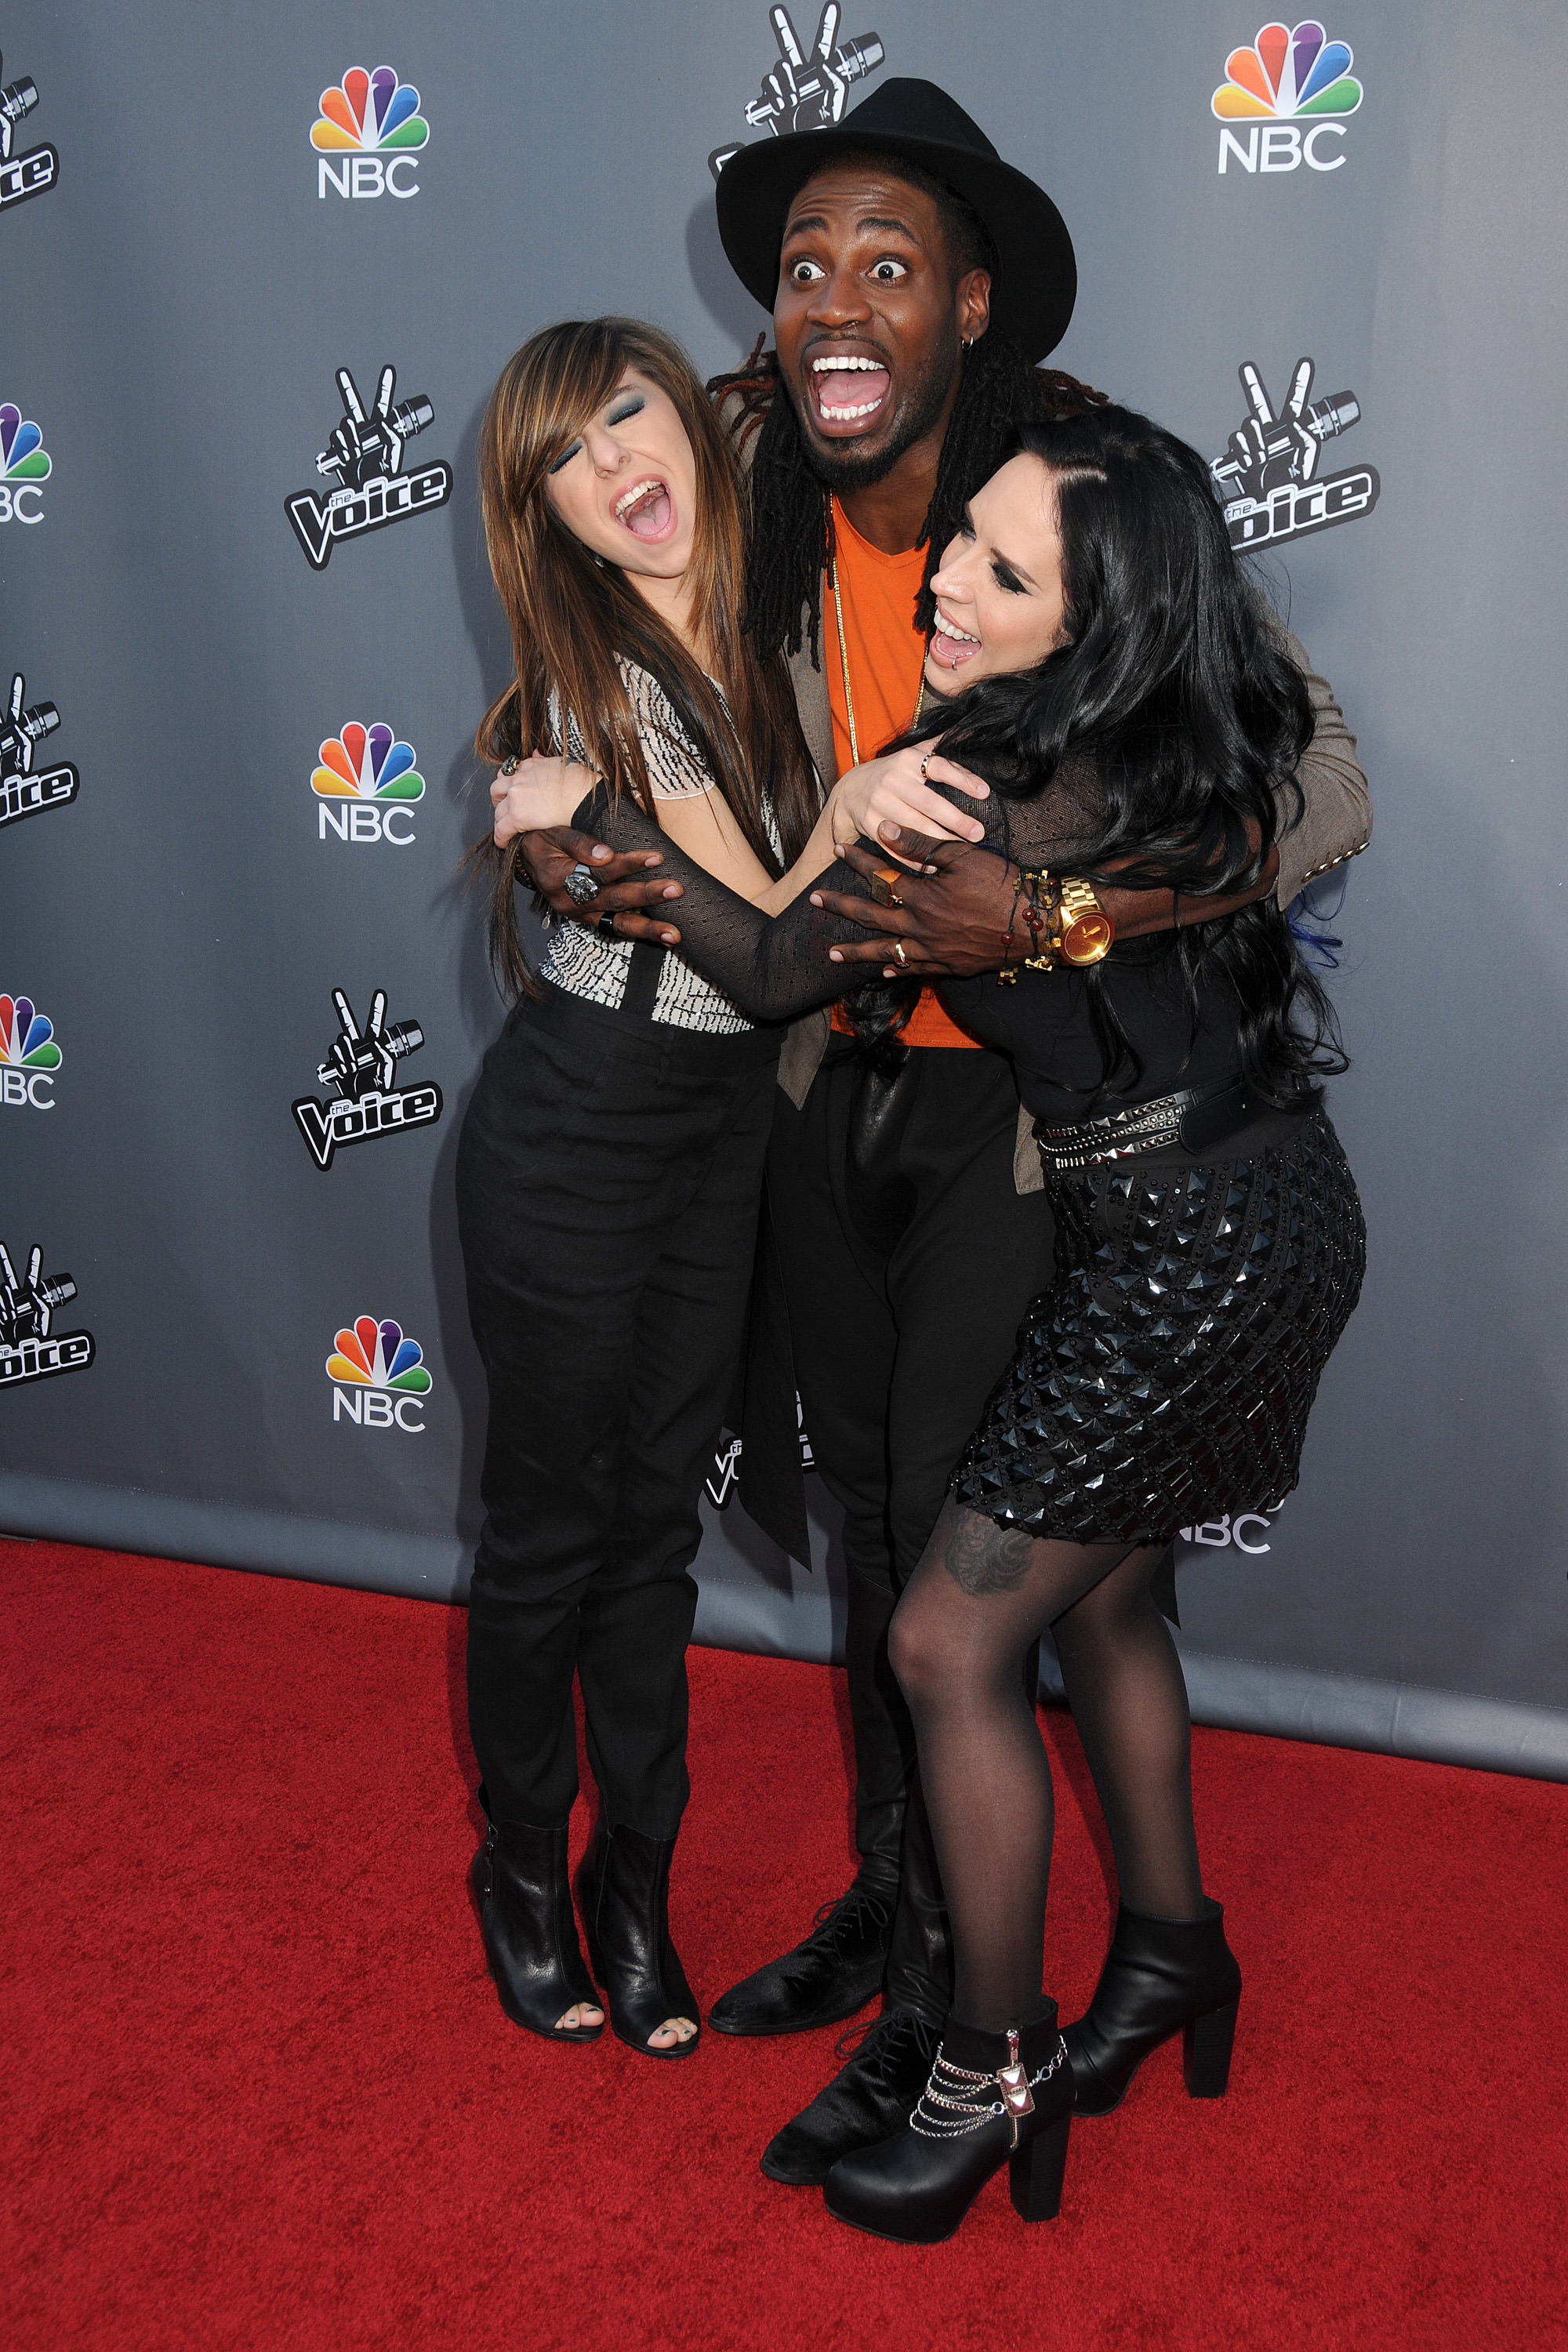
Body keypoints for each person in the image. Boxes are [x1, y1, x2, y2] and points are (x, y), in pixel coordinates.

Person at [506, 78, 1370, 2173]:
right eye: (804, 266)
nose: (836, 302)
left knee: (952, 1567)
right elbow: (588, 560)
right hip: (828, 1084)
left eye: (886, 264)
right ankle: (901, 1914)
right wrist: (539, 792)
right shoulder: (754, 447)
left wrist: (1056, 913)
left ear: (972, 305)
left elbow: (1319, 786)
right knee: (879, 1537)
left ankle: (947, 2018)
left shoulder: (1073, 481)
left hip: (1018, 1124)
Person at [459, 314, 971, 2060]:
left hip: (723, 1141)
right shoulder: (581, 695)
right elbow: (762, 942)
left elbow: (764, 956)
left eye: (626, 413)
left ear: (686, 415)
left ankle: (637, 1886)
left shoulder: (773, 626)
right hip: (576, 1136)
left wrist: (858, 791)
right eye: (565, 458)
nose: (614, 465)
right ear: (545, 516)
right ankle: (525, 1869)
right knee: (551, 1535)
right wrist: (853, 806)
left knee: (654, 1539)